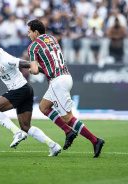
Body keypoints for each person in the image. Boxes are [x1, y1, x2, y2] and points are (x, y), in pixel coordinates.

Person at [0, 38, 62, 156]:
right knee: (26, 126)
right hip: (26, 90)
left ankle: (17, 132)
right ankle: (53, 145)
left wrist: (50, 73)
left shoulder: (6, 59)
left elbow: (26, 63)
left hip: (20, 90)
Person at [27, 19, 104, 158]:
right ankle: (68, 132)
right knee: (44, 107)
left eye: (29, 32)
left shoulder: (33, 46)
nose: (28, 35)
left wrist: (30, 68)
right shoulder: (52, 38)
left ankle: (95, 140)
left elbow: (33, 70)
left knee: (68, 117)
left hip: (57, 82)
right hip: (66, 76)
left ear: (36, 32)